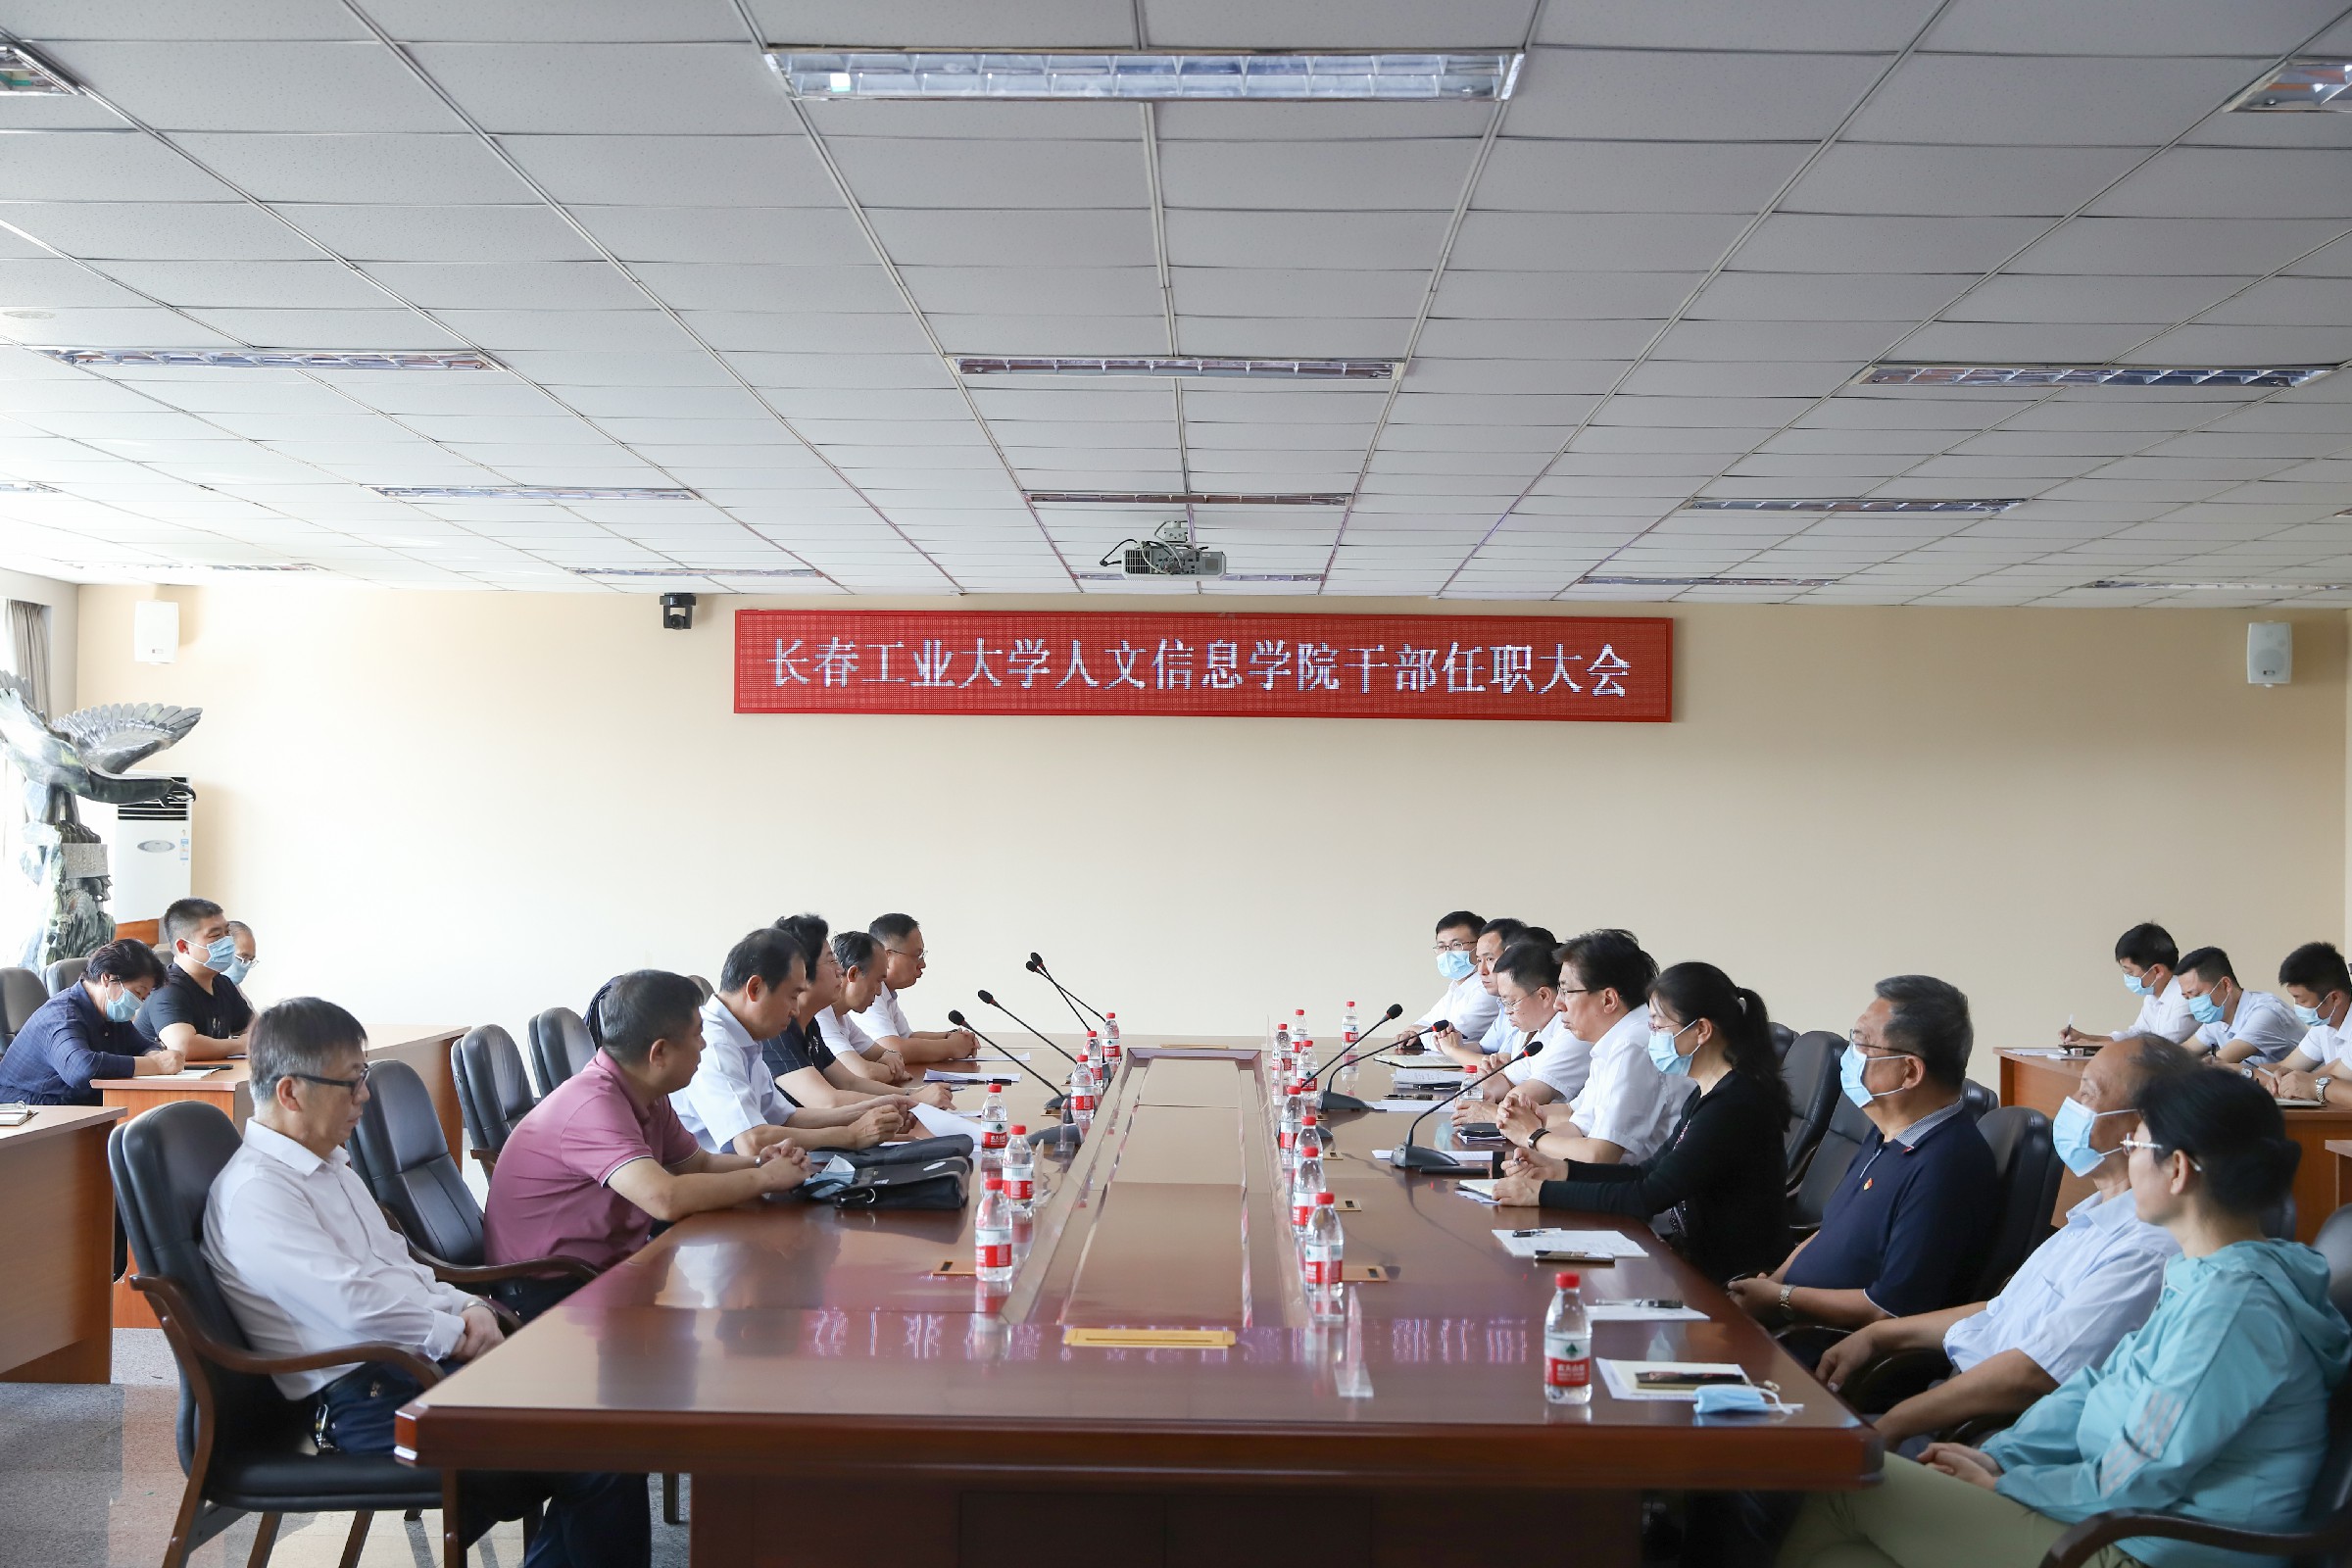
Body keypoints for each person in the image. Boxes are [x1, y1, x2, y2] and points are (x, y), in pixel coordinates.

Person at [1779, 1070, 2351, 1568]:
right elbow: (2094, 1388)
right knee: (1840, 1556)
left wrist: (2010, 1485)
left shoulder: (2231, 1307)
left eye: (2136, 1143)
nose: (2128, 1156)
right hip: (2111, 1516)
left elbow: (2146, 1467)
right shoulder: (2201, 1274)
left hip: (2147, 1546)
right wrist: (1999, 1455)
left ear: (2177, 1170)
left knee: (1845, 1477)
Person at [202, 997, 649, 1568]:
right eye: (351, 1082)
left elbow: (399, 1266)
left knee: (608, 1418)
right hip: (364, 1401)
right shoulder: (259, 1193)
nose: (364, 1096)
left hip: (406, 1368)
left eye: (363, 1077)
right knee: (600, 1454)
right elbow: (354, 1305)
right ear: (290, 1093)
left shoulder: (327, 1165)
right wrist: (454, 1334)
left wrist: (467, 1307)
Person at [1816, 1039, 2191, 1447]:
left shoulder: (2146, 1249)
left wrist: (1894, 1423)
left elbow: (2033, 1375)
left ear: (2139, 1129)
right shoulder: (2092, 1217)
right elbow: (2001, 1311)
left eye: (2087, 1093)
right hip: (1947, 1405)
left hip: (1983, 1440)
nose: (2070, 1103)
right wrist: (1879, 1336)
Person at [483, 970, 808, 1318]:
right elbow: (664, 1199)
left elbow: (698, 1165)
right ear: (659, 1052)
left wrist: (762, 1163)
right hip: (549, 1291)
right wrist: (767, 1179)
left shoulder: (647, 1093)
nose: (703, 1045)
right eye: (697, 1035)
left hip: (607, 1269)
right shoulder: (593, 1105)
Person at [1491, 960, 1790, 1285]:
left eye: (1659, 1027)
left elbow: (1647, 1196)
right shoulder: (1707, 1093)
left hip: (1730, 1280)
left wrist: (1542, 1193)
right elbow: (1645, 1172)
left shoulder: (1733, 1104)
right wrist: (1560, 1171)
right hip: (1691, 1260)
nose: (1652, 1038)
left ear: (1701, 1031)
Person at [1729, 975, 1997, 1333]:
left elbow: (1888, 1309)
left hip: (1816, 1344)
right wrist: (1773, 1283)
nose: (1850, 1055)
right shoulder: (1885, 1132)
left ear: (1909, 1071)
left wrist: (1781, 1298)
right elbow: (1829, 1231)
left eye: (1862, 1043)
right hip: (1779, 1316)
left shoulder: (1947, 1166)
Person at [674, 929, 908, 1155]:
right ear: (755, 988)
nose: (795, 1010)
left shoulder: (747, 1038)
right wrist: (850, 1135)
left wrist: (877, 1107)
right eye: (792, 996)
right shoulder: (714, 1044)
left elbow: (787, 1117)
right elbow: (752, 1142)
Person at [1496, 929, 1685, 1165]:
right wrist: (1525, 1122)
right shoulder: (1612, 1039)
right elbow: (1577, 1119)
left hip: (1636, 1183)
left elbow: (1601, 1155)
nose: (1557, 1004)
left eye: (1566, 991)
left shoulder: (1633, 1044)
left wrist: (1532, 1136)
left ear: (1608, 1000)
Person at [768, 915, 950, 1112]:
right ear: (800, 970)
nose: (840, 970)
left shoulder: (810, 1024)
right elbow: (829, 1101)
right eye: (831, 961)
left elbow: (850, 1082)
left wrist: (911, 1094)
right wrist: (913, 1100)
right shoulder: (778, 1030)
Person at [0, 938, 176, 1103]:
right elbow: (81, 1069)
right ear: (107, 978)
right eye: (138, 992)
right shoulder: (63, 1014)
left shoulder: (111, 1013)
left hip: (75, 1106)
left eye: (144, 998)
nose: (138, 1003)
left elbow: (143, 1046)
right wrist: (155, 1065)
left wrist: (155, 1054)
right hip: (30, 1107)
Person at [1450, 939, 1582, 1120]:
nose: (1507, 1011)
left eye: (1511, 1002)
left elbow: (1527, 1096)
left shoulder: (1571, 1033)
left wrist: (1488, 1110)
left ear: (1543, 995)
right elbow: (1509, 1078)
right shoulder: (1532, 1030)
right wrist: (1483, 1091)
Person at [134, 896, 253, 1061]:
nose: (227, 941)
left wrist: (250, 1040)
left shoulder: (223, 983)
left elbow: (257, 1030)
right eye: (216, 935)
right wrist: (241, 1044)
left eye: (227, 933)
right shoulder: (167, 989)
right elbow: (184, 1046)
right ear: (183, 946)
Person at [856, 912, 978, 1064]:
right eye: (917, 956)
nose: (922, 964)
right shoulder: (869, 993)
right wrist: (952, 1047)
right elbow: (893, 1049)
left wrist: (950, 1036)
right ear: (887, 956)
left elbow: (908, 1037)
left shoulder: (886, 992)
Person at [2059, 921, 2194, 1049]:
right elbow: (2136, 1035)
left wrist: (2094, 1045)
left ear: (2157, 971)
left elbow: (2160, 1047)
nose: (2127, 977)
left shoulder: (2185, 996)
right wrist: (2086, 1038)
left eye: (2129, 972)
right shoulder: (2153, 994)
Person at [2254, 941, 2352, 1108]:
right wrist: (2281, 1076)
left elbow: (2331, 1076)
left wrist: (2312, 1084)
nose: (2297, 1006)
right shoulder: (2324, 1025)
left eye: (2302, 1000)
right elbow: (2286, 1067)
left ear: (2335, 998)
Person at [2170, 946, 2302, 1066]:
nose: (2192, 1003)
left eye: (2196, 994)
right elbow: (2186, 1050)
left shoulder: (2265, 1012)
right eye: (2187, 997)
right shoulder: (2218, 1017)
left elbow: (2214, 1064)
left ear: (2226, 985)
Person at [1394, 909, 1500, 1051]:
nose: (1447, 953)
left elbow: (1453, 1040)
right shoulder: (1456, 988)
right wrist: (1416, 1032)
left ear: (1479, 945)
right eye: (1441, 946)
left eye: (1457, 944)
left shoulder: (1489, 989)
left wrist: (1421, 1033)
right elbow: (1424, 1022)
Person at [1432, 917, 1528, 1067]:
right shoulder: (1503, 1005)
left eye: (1489, 959)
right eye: (1479, 960)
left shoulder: (1526, 1006)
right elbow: (1484, 1048)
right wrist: (1451, 1043)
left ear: (1514, 958)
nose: (1481, 971)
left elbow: (1504, 1067)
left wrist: (1453, 1050)